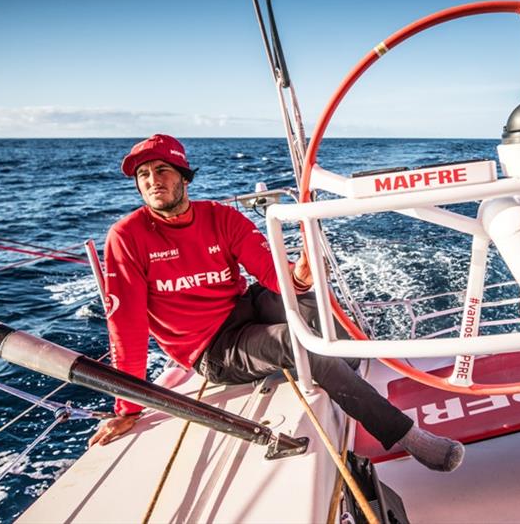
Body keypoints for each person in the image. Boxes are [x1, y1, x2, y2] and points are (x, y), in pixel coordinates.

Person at [88, 134, 464, 472]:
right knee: (296, 344)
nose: (153, 181)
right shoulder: (127, 237)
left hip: (241, 308)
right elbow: (128, 328)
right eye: (143, 175)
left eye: (162, 170)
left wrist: (299, 274)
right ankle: (405, 435)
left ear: (184, 176)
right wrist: (128, 407)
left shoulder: (220, 217)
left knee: (311, 304)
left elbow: (271, 272)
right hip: (211, 348)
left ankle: (345, 372)